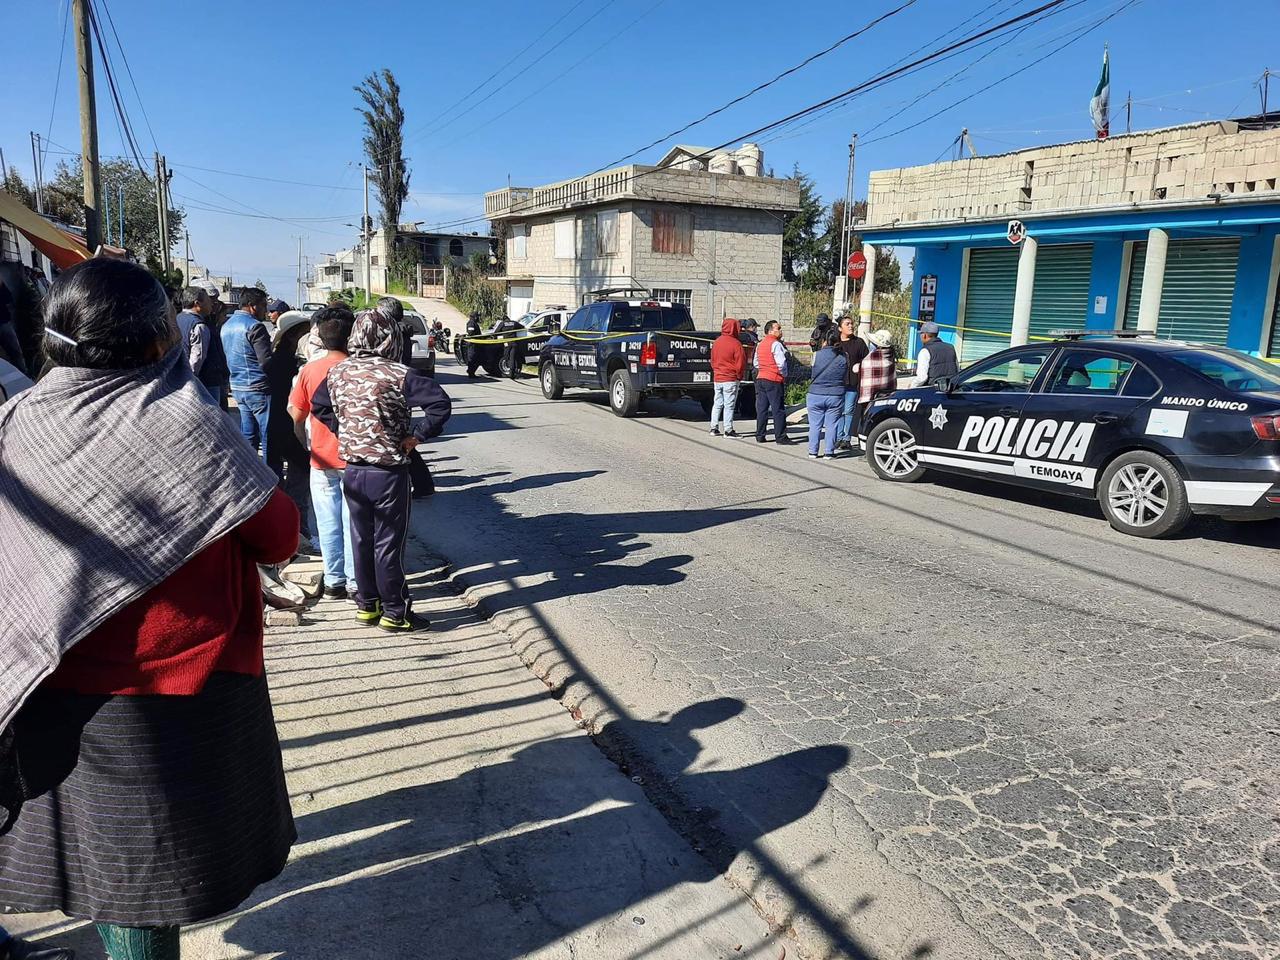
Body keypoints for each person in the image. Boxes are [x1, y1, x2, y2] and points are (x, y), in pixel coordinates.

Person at [0, 258, 297, 960]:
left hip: (50, 680)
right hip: (167, 693)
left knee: (114, 871)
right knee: (143, 884)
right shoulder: (184, 422)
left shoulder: (20, 418)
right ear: (158, 338)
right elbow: (280, 536)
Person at [311, 308, 452, 633]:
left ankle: (367, 606)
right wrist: (416, 435)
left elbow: (320, 406)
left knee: (361, 540)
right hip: (388, 472)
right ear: (390, 338)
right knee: (388, 543)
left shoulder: (338, 372)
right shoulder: (397, 374)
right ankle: (395, 613)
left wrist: (344, 429)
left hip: (353, 470)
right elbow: (439, 404)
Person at [288, 305, 356, 599]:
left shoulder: (309, 369)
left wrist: (305, 443)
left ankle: (334, 581)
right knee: (354, 522)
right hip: (356, 457)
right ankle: (356, 582)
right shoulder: (359, 368)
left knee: (327, 520)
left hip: (321, 457)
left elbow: (296, 413)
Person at [221, 287, 275, 466]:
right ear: (252, 306)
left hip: (238, 387)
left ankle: (249, 471)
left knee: (248, 434)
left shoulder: (226, 326)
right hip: (258, 387)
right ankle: (270, 476)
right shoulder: (255, 326)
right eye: (263, 306)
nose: (265, 310)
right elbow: (265, 361)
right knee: (268, 436)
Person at [807, 327, 848, 460]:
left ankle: (813, 452)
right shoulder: (844, 357)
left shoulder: (816, 355)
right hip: (835, 394)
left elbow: (812, 373)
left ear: (824, 341)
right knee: (832, 424)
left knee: (814, 425)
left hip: (815, 394)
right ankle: (829, 452)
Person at [832, 313, 869, 452]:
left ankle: (846, 438)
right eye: (847, 324)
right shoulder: (835, 343)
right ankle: (839, 437)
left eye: (852, 323)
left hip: (852, 384)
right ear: (840, 328)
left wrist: (859, 366)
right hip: (838, 383)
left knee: (848, 410)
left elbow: (867, 360)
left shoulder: (859, 342)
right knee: (839, 411)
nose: (851, 326)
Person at [754, 320, 792, 444]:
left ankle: (760, 435)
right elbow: (781, 363)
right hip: (774, 379)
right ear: (770, 331)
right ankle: (780, 437)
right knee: (778, 409)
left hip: (761, 378)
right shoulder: (776, 344)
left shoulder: (760, 344)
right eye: (778, 328)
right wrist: (783, 374)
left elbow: (756, 362)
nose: (780, 330)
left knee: (762, 408)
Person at [709, 317, 747, 437]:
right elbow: (740, 363)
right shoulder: (736, 344)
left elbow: (712, 360)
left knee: (717, 403)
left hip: (718, 377)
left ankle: (713, 428)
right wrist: (739, 376)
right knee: (729, 405)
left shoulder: (717, 342)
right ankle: (728, 430)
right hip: (730, 378)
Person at [858, 329, 899, 429]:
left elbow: (865, 377)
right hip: (886, 396)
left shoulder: (871, 358)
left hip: (870, 398)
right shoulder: (890, 356)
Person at [911, 320, 959, 387]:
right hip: (951, 388)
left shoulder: (925, 351)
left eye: (920, 334)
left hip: (932, 391)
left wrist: (911, 386)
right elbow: (957, 369)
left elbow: (922, 378)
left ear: (924, 335)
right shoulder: (951, 348)